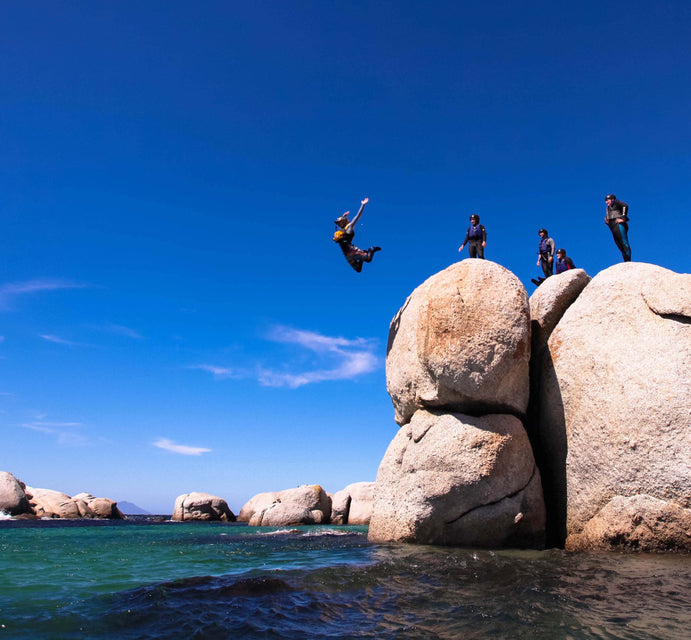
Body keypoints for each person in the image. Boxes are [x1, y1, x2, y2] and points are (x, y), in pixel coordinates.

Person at [333, 197, 381, 273]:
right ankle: (363, 256)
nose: (339, 224)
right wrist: (344, 216)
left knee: (368, 259)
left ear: (344, 222)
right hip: (346, 254)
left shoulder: (350, 226)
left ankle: (371, 249)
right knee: (358, 269)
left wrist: (363, 205)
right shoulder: (341, 230)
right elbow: (341, 226)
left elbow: (357, 216)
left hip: (351, 250)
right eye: (339, 223)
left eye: (340, 222)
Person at [604, 194, 631, 261]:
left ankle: (628, 260)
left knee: (623, 241)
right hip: (612, 226)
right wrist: (606, 220)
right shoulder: (608, 208)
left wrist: (623, 218)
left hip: (619, 224)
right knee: (618, 243)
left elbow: (625, 206)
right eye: (606, 201)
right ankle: (625, 260)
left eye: (608, 200)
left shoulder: (617, 202)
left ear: (612, 199)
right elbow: (608, 216)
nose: (606, 202)